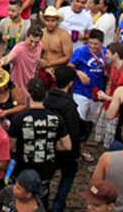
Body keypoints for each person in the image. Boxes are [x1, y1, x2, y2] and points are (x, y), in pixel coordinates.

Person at [8, 78, 72, 196]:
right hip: (46, 168)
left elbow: (11, 146)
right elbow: (67, 146)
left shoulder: (18, 118)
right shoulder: (56, 118)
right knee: (43, 197)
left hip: (24, 167)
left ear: (28, 94)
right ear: (46, 94)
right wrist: (51, 144)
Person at [45, 66, 83, 212]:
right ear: (71, 83)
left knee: (47, 177)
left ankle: (44, 200)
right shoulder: (69, 106)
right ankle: (58, 205)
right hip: (66, 149)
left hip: (49, 146)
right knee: (68, 176)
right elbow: (74, 131)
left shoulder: (47, 99)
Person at [0, 25, 44, 95]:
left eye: (36, 42)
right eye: (31, 41)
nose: (33, 44)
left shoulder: (40, 46)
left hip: (30, 85)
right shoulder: (19, 48)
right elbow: (8, 58)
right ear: (26, 37)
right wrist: (1, 61)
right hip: (17, 87)